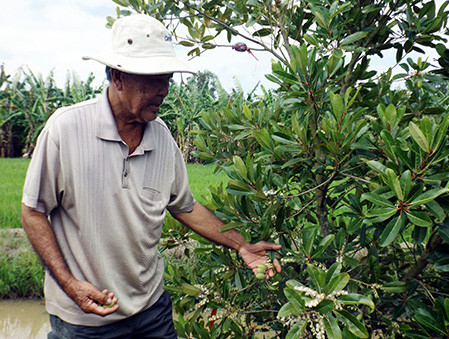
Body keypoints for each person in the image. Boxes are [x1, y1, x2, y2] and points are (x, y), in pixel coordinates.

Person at [21, 14, 282, 339]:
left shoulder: (162, 138)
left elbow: (184, 206)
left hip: (152, 313)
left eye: (167, 79)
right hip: (85, 322)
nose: (164, 91)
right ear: (117, 77)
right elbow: (32, 211)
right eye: (153, 80)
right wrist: (70, 284)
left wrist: (242, 245)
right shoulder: (66, 129)